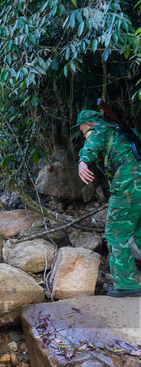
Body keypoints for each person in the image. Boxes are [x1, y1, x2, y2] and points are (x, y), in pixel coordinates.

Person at [76, 109, 141, 297]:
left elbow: (91, 146)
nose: (82, 133)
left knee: (115, 232)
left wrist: (83, 162)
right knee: (137, 231)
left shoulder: (99, 130)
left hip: (129, 182)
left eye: (81, 130)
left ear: (88, 125)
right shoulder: (123, 130)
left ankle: (128, 285)